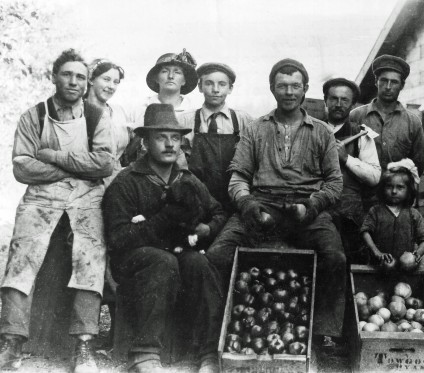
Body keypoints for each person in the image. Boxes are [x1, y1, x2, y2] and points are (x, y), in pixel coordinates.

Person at [205, 58, 347, 352]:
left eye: (295, 85)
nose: (289, 91)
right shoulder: (256, 130)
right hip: (263, 205)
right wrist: (248, 205)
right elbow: (238, 176)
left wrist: (312, 206)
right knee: (217, 255)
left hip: (307, 209)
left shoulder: (322, 132)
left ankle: (321, 335)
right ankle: (218, 331)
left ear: (305, 89)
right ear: (272, 89)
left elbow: (334, 183)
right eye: (282, 85)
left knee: (335, 258)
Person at [1, 48, 114, 373]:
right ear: (54, 76)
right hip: (41, 198)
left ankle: (84, 347)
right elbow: (22, 167)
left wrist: (54, 157)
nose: (74, 81)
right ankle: (12, 342)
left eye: (80, 76)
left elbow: (104, 162)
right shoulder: (33, 116)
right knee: (22, 258)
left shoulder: (96, 117)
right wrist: (73, 169)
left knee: (89, 258)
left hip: (85, 198)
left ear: (86, 81)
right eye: (67, 74)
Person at [102, 104, 226, 373]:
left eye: (176, 138)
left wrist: (206, 229)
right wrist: (163, 220)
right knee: (162, 260)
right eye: (161, 137)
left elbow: (217, 212)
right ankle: (143, 354)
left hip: (175, 252)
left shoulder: (188, 179)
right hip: (134, 260)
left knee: (199, 264)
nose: (170, 145)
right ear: (145, 143)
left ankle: (207, 352)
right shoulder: (127, 181)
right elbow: (117, 239)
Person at [322, 78, 381, 263]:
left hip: (350, 217)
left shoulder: (362, 134)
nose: (338, 104)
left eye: (345, 100)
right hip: (317, 213)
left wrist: (346, 158)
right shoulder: (311, 130)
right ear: (325, 100)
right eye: (333, 98)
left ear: (353, 104)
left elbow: (374, 177)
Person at [184, 62, 253, 214]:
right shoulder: (185, 120)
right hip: (198, 200)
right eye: (209, 83)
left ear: (230, 88)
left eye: (222, 84)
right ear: (200, 87)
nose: (215, 90)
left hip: (234, 198)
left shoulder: (243, 119)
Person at [349, 54, 424, 186]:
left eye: (394, 82)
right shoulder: (356, 116)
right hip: (363, 195)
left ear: (402, 85)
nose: (388, 86)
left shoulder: (413, 122)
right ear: (376, 82)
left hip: (395, 196)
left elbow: (418, 164)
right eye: (384, 80)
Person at [123, 49, 198, 166]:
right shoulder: (140, 109)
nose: (171, 76)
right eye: (164, 71)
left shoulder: (194, 111)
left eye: (177, 72)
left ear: (184, 80)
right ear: (156, 78)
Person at [361, 166, 424, 267]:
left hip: (406, 264)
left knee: (408, 262)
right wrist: (377, 252)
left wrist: (417, 254)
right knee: (388, 264)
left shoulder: (413, 214)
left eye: (400, 187)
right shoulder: (376, 211)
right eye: (389, 186)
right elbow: (365, 232)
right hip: (382, 262)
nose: (394, 191)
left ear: (408, 190)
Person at [85, 58, 133, 185]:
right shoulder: (77, 111)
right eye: (106, 79)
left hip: (115, 183)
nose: (111, 86)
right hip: (84, 183)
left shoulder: (119, 112)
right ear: (90, 79)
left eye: (116, 82)